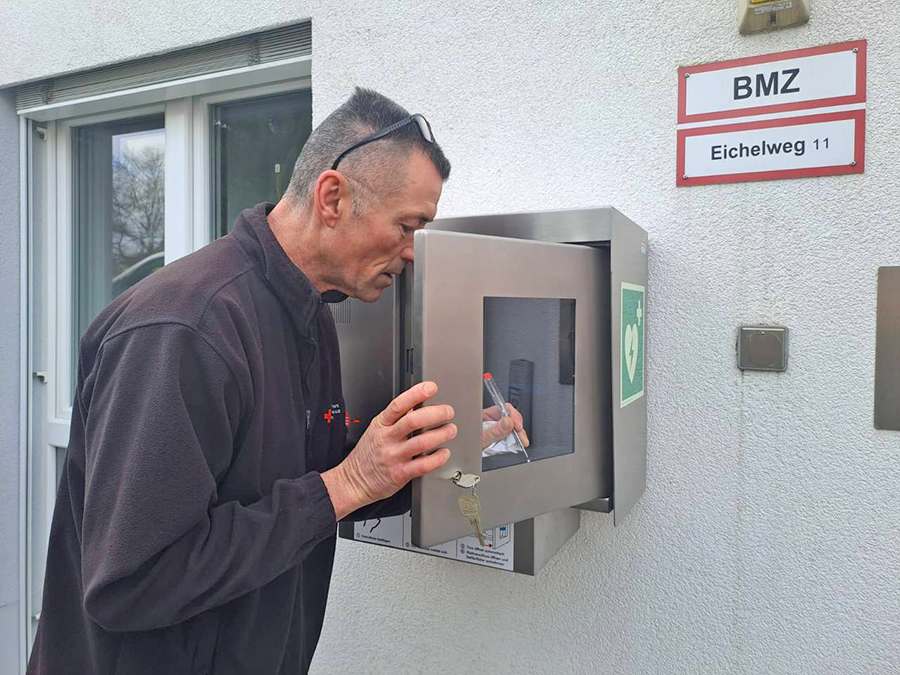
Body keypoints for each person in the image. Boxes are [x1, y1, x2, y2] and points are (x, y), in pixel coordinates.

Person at [27, 87, 528, 675]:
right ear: (333, 197)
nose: (413, 253)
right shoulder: (186, 328)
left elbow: (296, 483)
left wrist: (420, 455)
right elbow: (134, 581)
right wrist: (348, 482)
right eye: (407, 226)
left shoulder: (308, 315)